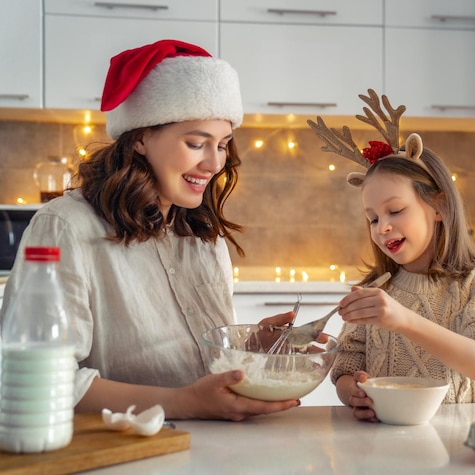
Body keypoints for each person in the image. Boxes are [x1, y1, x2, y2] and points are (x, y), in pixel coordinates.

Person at [0, 39, 299, 421]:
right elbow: (39, 378)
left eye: (223, 145)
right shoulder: (65, 227)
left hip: (211, 448)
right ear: (140, 137)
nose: (214, 163)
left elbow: (190, 360)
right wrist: (188, 402)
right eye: (196, 143)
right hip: (118, 450)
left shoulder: (202, 235)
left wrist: (250, 344)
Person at [308, 90, 475, 422]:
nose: (383, 228)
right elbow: (347, 364)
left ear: (439, 206)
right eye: (374, 219)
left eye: (395, 210)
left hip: (457, 439)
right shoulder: (377, 290)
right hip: (383, 441)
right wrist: (353, 392)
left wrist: (403, 319)